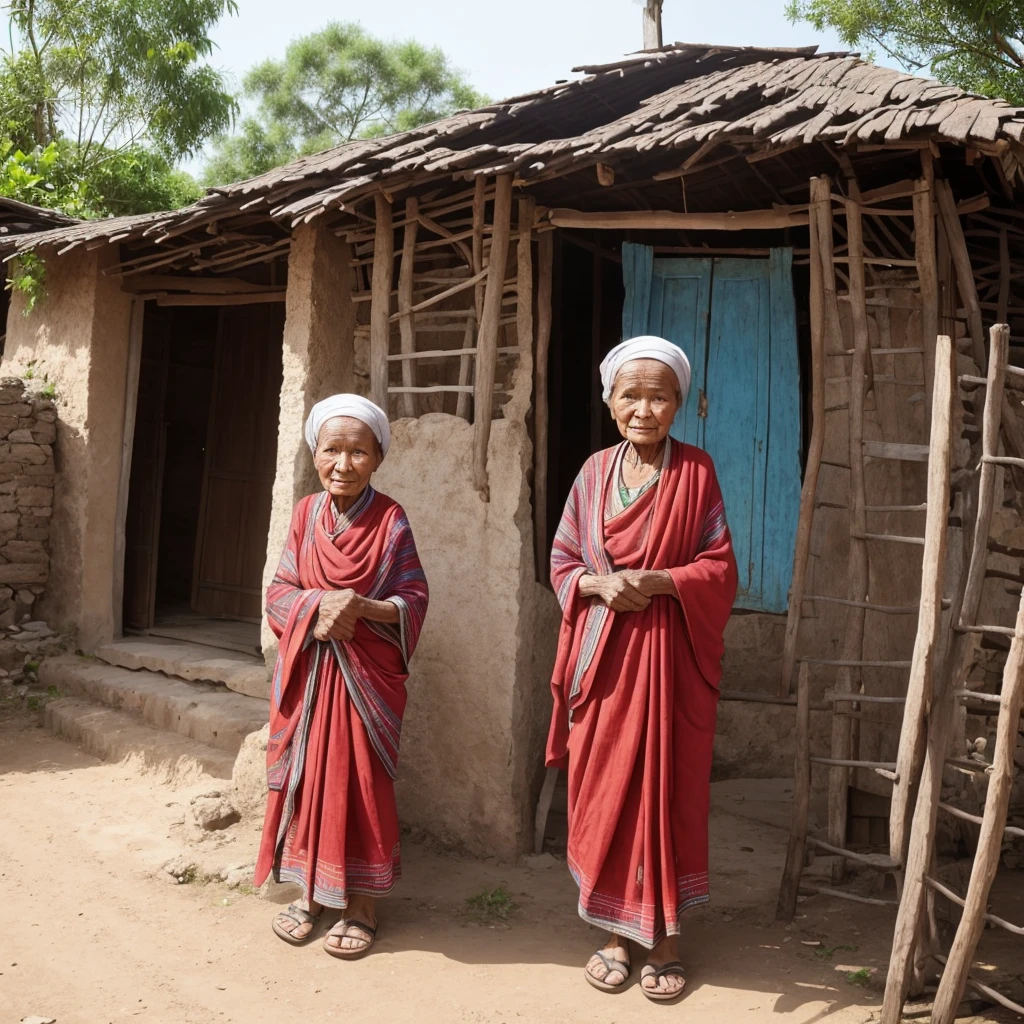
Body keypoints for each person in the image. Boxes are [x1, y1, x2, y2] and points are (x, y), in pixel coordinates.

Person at [546, 336, 738, 1001]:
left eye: (659, 396)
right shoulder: (592, 474)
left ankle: (667, 938)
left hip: (669, 663)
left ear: (679, 403)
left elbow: (719, 566)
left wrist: (658, 581)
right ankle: (614, 931)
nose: (644, 409)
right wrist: (599, 588)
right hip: (603, 664)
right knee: (606, 792)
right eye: (631, 394)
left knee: (666, 791)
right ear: (610, 400)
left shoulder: (697, 473)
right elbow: (564, 561)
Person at [254, 394, 429, 959]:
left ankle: (362, 906)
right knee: (309, 783)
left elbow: (413, 600)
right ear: (314, 454)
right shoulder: (305, 514)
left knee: (357, 785)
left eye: (358, 451)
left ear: (378, 456)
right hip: (309, 680)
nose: (343, 463)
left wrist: (361, 609)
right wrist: (317, 608)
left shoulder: (391, 519)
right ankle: (310, 893)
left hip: (365, 683)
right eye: (332, 449)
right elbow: (279, 592)